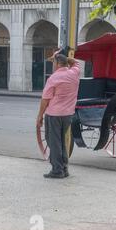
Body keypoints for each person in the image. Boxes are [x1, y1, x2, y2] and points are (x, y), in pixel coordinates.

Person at [36, 51, 80, 179]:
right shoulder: (74, 73)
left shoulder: (53, 78)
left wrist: (40, 116)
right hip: (68, 114)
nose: (52, 65)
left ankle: (57, 170)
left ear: (57, 64)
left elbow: (45, 99)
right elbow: (75, 62)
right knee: (61, 141)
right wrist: (65, 58)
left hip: (54, 114)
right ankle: (64, 168)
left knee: (53, 142)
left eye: (53, 62)